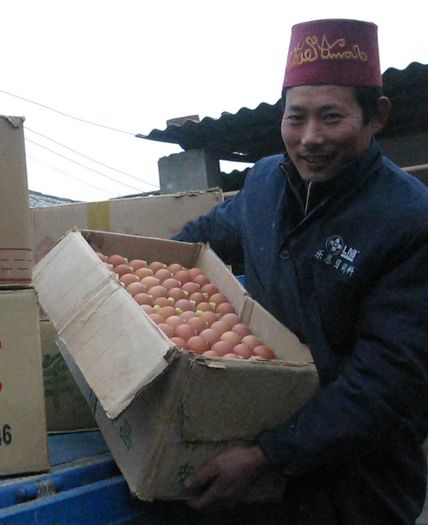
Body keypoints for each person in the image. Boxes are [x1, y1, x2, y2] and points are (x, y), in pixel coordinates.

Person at [173, 19, 428, 525]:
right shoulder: (266, 181)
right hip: (255, 454)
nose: (309, 138)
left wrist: (269, 456)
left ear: (376, 116)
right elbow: (208, 235)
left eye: (331, 117)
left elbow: (388, 381)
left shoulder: (408, 221)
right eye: (296, 118)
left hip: (357, 484)